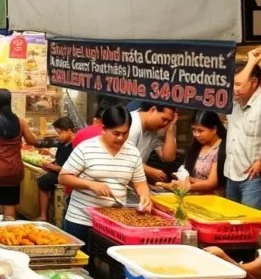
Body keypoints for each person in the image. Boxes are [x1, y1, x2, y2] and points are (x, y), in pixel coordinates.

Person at [58, 105, 152, 244]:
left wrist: (144, 197)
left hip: (113, 223)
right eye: (116, 133)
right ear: (103, 129)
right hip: (81, 219)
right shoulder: (86, 148)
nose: (120, 138)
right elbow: (63, 177)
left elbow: (140, 183)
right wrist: (91, 184)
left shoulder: (133, 152)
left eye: (125, 133)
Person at [225, 48, 261, 211]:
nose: (234, 89)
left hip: (254, 178)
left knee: (251, 223)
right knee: (232, 223)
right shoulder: (234, 101)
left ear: (254, 82)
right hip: (231, 174)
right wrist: (250, 62)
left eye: (237, 85)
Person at [0, 88, 38, 219]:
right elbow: (32, 141)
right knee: (10, 204)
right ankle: (9, 229)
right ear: (10, 101)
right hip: (14, 170)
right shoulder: (21, 122)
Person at [127, 102, 179, 184]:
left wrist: (170, 129)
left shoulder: (152, 130)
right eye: (164, 119)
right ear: (153, 110)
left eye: (168, 121)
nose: (165, 124)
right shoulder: (132, 124)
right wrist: (149, 170)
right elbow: (124, 158)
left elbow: (168, 158)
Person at [37, 117, 77, 221]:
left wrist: (54, 167)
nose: (58, 136)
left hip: (68, 175)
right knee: (42, 178)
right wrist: (51, 164)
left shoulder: (75, 146)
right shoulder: (62, 144)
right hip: (58, 171)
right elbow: (58, 160)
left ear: (69, 130)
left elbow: (71, 170)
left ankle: (43, 215)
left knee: (43, 182)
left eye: (60, 133)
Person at [184, 110, 226, 195]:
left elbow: (212, 183)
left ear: (214, 129)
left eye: (200, 131)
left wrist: (185, 186)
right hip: (193, 194)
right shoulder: (196, 147)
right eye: (193, 130)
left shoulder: (222, 149)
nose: (196, 134)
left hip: (213, 198)